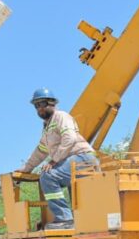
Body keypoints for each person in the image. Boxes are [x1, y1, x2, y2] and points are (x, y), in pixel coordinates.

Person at [16, 88, 98, 230]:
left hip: (83, 158)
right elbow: (41, 151)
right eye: (36, 105)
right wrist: (25, 169)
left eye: (42, 103)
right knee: (72, 190)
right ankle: (77, 219)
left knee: (48, 176)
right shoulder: (47, 127)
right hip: (75, 161)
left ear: (52, 103)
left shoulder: (61, 116)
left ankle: (64, 219)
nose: (39, 108)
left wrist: (54, 161)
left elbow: (70, 138)